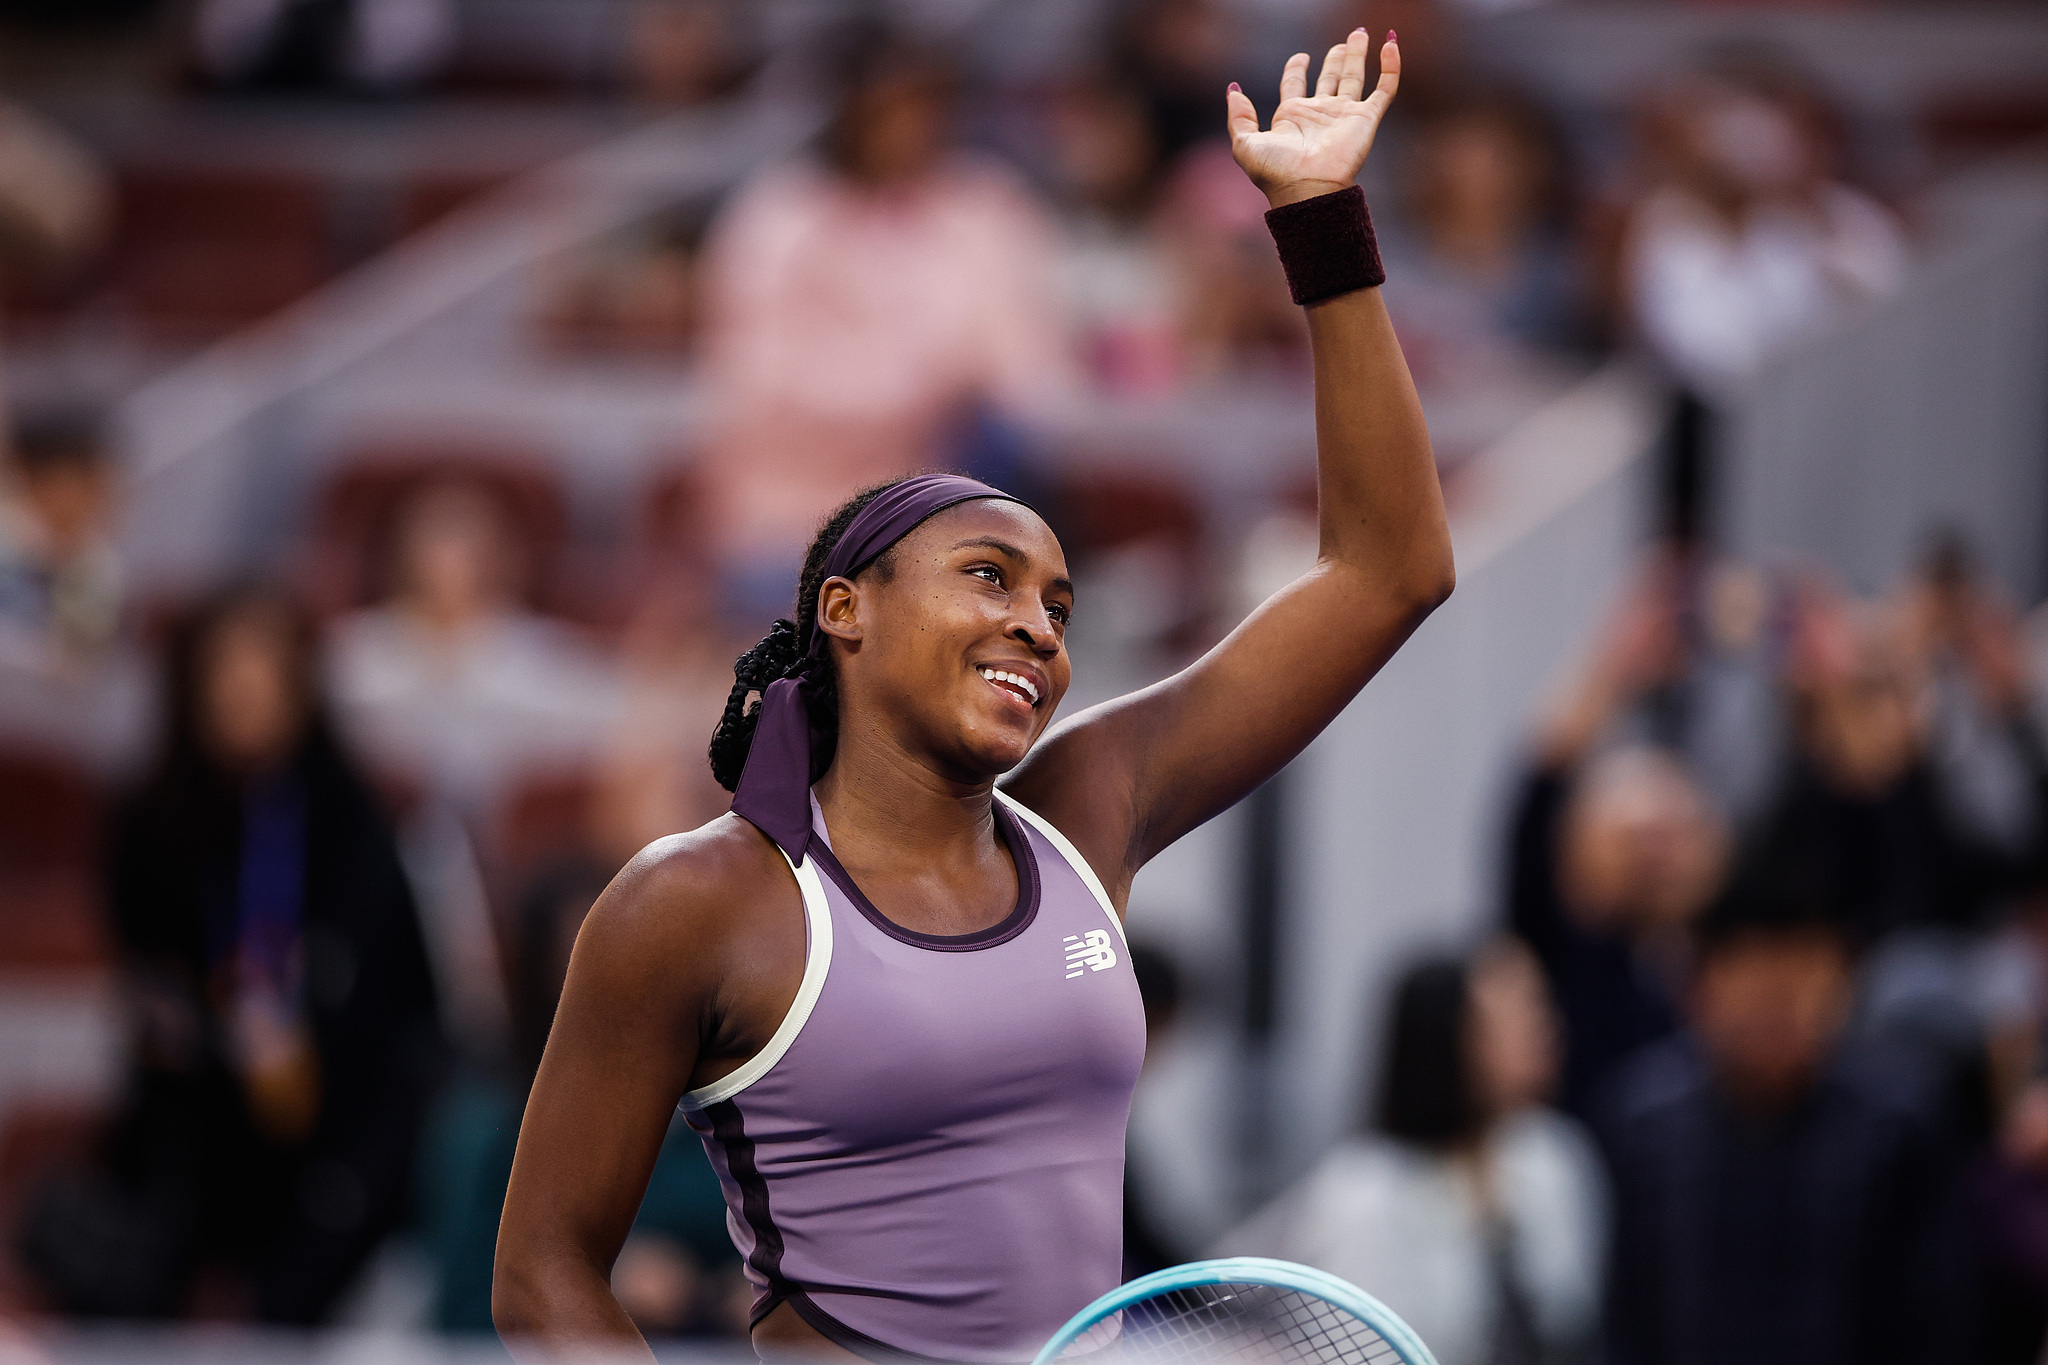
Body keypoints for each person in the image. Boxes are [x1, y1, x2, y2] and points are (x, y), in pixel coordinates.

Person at [493, 30, 1455, 1363]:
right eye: (990, 577)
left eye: (1059, 604)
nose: (1035, 626)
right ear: (846, 608)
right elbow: (545, 1276)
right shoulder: (694, 903)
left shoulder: (1087, 811)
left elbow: (1390, 570)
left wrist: (1321, 225)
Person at [21, 583, 443, 1322]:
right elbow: (148, 992)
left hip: (339, 1119)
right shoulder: (149, 821)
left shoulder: (353, 821)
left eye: (265, 674)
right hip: (198, 1117)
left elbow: (406, 1014)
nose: (245, 696)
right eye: (226, 675)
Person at [692, 33, 1073, 612]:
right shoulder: (778, 220)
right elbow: (760, 390)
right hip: (795, 519)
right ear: (849, 109)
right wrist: (924, 391)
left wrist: (949, 398)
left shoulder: (986, 210)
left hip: (948, 510)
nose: (915, 126)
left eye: (929, 105)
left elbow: (1033, 382)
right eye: (893, 106)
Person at [1601, 870, 1974, 1365]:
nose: (1777, 1002)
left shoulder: (1898, 1122)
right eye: (1752, 974)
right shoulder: (1643, 1124)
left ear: (1843, 982)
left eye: (1803, 972)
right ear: (1696, 990)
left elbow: (1940, 1325)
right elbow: (1623, 1325)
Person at [1216, 939, 1607, 1365]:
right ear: (1445, 1036)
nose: (1545, 1030)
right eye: (1516, 1015)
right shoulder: (1363, 1193)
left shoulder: (1554, 1156)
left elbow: (1576, 1323)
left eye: (1541, 1008)